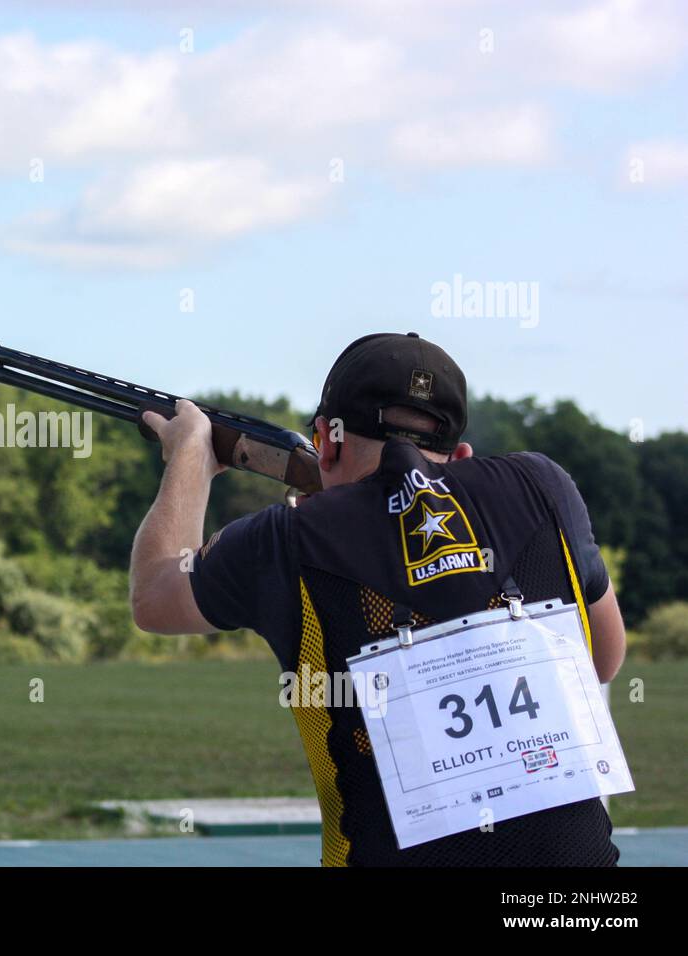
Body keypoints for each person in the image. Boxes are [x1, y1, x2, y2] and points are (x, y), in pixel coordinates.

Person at [129, 332, 626, 866]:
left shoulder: (287, 539)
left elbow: (155, 596)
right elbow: (603, 657)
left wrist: (189, 454)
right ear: (459, 455)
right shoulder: (543, 484)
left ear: (327, 439)